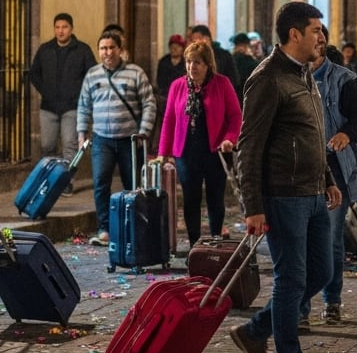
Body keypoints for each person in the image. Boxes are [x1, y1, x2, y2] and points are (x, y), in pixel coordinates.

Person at [226, 2, 342, 353]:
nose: (321, 37)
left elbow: (312, 131)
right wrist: (253, 206)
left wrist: (326, 177)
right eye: (315, 30)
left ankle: (255, 330)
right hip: (283, 196)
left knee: (321, 273)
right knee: (291, 279)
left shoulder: (303, 74)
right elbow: (249, 145)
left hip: (312, 193)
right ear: (294, 34)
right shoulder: (268, 78)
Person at [301, 24, 357, 328]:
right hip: (301, 168)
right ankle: (300, 307)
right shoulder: (288, 78)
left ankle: (332, 301)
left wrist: (346, 133)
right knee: (300, 239)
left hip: (336, 167)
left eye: (319, 39)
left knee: (329, 237)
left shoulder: (345, 80)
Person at [156, 40, 241, 247]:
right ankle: (195, 245)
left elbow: (235, 116)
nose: (192, 67)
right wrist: (163, 152)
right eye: (188, 62)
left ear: (208, 65)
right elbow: (169, 120)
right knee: (191, 199)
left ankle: (215, 241)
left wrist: (230, 138)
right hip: (186, 152)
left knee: (215, 198)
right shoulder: (178, 86)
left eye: (197, 63)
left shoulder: (222, 84)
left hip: (214, 150)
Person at [77, 31, 158, 247]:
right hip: (102, 139)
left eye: (112, 47)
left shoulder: (135, 73)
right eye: (103, 48)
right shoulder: (92, 75)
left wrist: (144, 131)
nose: (107, 52)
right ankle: (104, 229)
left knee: (133, 185)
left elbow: (149, 103)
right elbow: (84, 105)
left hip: (129, 141)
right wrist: (81, 132)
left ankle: (135, 227)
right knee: (100, 183)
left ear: (120, 50)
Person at [29, 13, 97, 195]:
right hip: (49, 107)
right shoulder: (46, 49)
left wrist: (80, 94)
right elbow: (34, 73)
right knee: (47, 146)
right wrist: (45, 90)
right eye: (57, 27)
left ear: (71, 28)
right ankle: (50, 180)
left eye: (64, 27)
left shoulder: (82, 50)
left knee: (69, 145)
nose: (60, 31)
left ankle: (66, 181)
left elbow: (92, 74)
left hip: (72, 107)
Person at [154, 34, 187, 120]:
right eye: (172, 46)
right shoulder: (164, 62)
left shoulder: (186, 63)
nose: (175, 48)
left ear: (182, 48)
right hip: (166, 98)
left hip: (182, 98)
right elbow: (160, 81)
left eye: (178, 46)